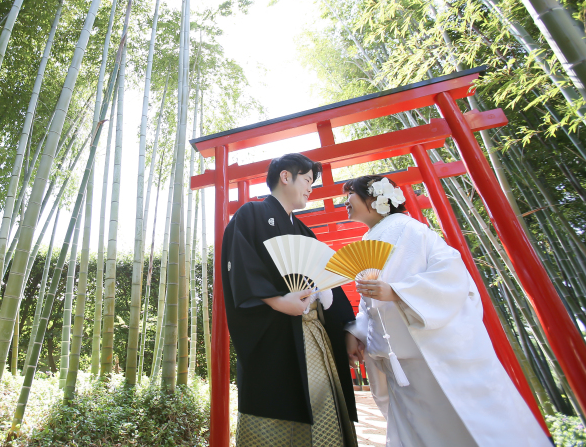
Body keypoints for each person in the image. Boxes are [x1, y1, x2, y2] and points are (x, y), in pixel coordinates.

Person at [343, 175, 549, 447]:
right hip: (398, 362)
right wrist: (356, 332)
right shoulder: (368, 240)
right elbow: (372, 305)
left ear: (373, 199)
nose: (345, 201)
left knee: (461, 426)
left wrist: (397, 292)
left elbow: (452, 273)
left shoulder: (413, 230)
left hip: (432, 353)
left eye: (350, 195)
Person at [222, 153, 358, 447]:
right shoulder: (250, 214)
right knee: (277, 409)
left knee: (323, 406)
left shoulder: (304, 230)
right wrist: (276, 300)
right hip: (274, 335)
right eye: (307, 180)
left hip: (313, 333)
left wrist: (348, 327)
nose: (311, 188)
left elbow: (329, 282)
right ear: (286, 176)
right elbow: (240, 265)